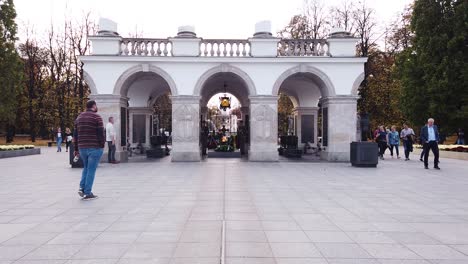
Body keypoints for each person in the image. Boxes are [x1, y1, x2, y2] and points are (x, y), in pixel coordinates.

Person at [73, 100, 105, 200]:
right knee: (91, 170)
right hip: (94, 147)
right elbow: (100, 133)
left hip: (82, 148)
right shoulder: (97, 117)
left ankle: (82, 188)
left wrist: (76, 149)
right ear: (94, 106)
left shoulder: (79, 117)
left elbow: (75, 134)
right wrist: (102, 145)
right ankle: (88, 192)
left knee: (86, 168)